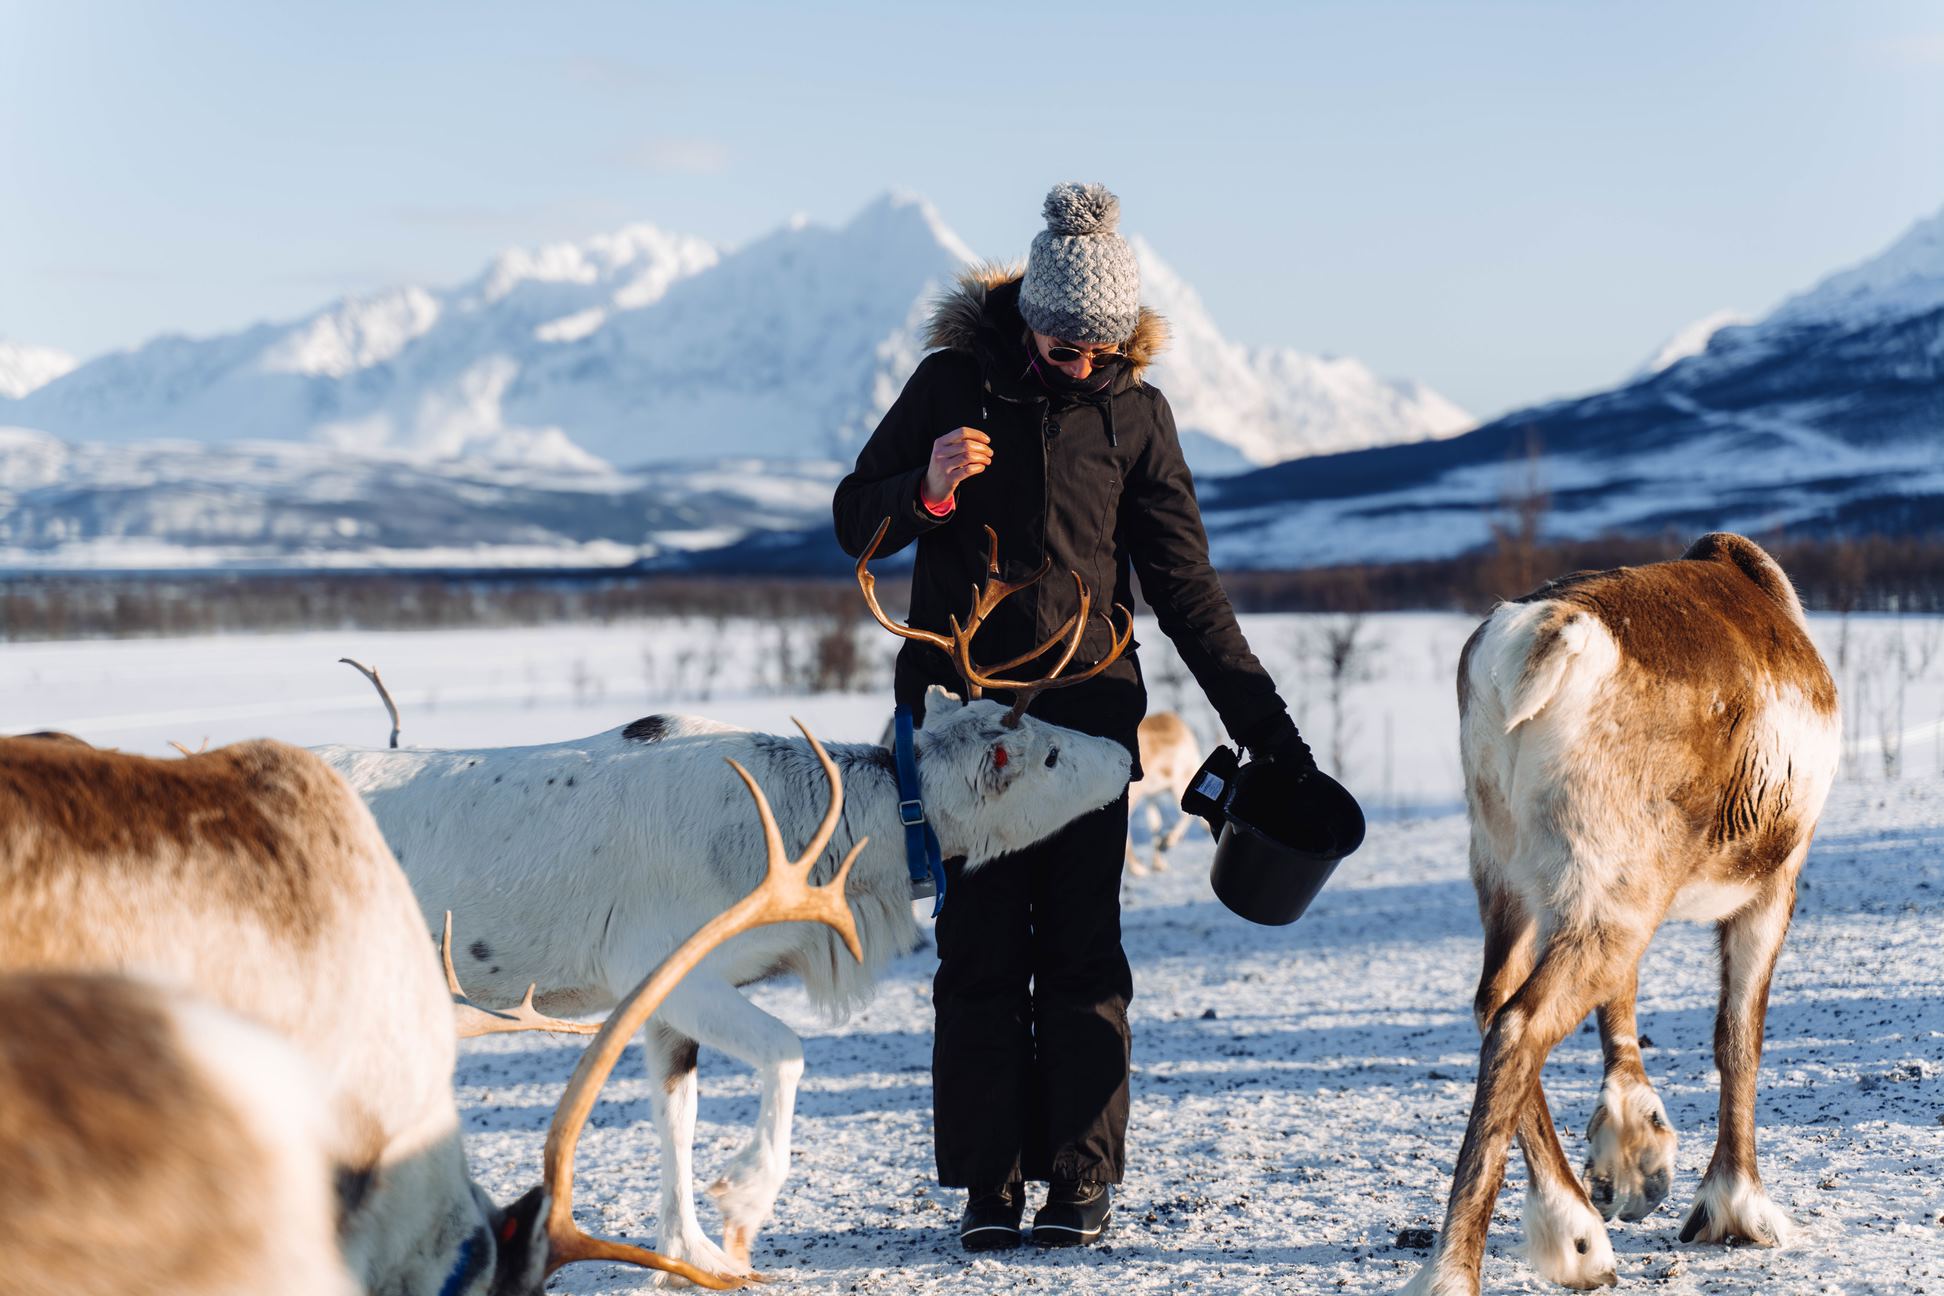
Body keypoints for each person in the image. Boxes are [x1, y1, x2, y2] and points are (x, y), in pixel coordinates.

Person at [831, 181, 1312, 1252]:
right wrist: (928, 489)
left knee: (1086, 957)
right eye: (1060, 342)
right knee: (982, 953)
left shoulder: (1135, 415)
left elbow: (1186, 591)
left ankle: (1079, 1178)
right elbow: (851, 518)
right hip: (964, 726)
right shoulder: (952, 384)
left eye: (1097, 347)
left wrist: (1274, 735)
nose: (1078, 360)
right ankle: (991, 1182)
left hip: (1091, 727)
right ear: (1028, 317)